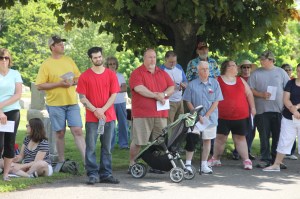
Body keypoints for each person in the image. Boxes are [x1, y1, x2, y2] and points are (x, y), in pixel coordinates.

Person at [35, 35, 86, 164]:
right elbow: (39, 85)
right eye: (59, 44)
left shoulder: (69, 60)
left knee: (78, 131)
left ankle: (87, 161)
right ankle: (61, 161)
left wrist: (72, 82)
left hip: (72, 102)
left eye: (62, 43)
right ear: (52, 47)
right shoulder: (46, 64)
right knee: (60, 133)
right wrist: (59, 84)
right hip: (55, 104)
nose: (62, 45)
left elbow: (79, 78)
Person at [76, 47, 120, 185]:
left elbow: (114, 95)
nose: (98, 59)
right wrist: (95, 110)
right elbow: (82, 97)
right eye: (95, 57)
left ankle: (106, 173)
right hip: (92, 118)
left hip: (109, 117)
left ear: (102, 57)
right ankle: (93, 174)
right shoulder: (85, 76)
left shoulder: (111, 74)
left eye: (100, 57)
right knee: (91, 147)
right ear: (91, 59)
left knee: (107, 147)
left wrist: (102, 110)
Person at [128, 48, 174, 173]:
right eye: (149, 57)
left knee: (159, 143)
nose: (152, 59)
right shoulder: (137, 73)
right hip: (142, 114)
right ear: (144, 58)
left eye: (154, 57)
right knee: (138, 141)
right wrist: (156, 96)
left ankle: (156, 165)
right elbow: (139, 88)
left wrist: (163, 94)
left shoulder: (162, 73)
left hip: (161, 114)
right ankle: (132, 163)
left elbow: (172, 87)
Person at [208, 60, 256, 170]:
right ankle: (215, 158)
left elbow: (249, 94)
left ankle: (246, 160)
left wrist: (253, 108)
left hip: (240, 116)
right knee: (220, 138)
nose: (236, 67)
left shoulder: (240, 80)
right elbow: (210, 94)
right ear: (227, 67)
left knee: (240, 138)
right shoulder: (217, 80)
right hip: (222, 116)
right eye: (234, 65)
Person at [248, 50, 289, 168]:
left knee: (278, 135)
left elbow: (288, 89)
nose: (261, 61)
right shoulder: (256, 73)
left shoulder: (281, 72)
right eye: (260, 59)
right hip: (262, 110)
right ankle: (265, 159)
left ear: (271, 60)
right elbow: (250, 90)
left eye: (263, 59)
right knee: (263, 136)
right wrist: (261, 94)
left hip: (279, 110)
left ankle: (277, 161)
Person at [183, 61, 223, 174]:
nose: (205, 71)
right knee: (192, 139)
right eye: (203, 69)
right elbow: (188, 101)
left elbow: (217, 101)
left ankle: (204, 164)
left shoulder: (215, 83)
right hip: (196, 118)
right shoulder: (192, 84)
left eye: (207, 69)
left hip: (210, 118)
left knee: (207, 140)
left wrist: (207, 115)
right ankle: (188, 164)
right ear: (198, 70)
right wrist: (197, 114)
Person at [263, 64, 300, 171]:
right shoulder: (290, 83)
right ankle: (276, 165)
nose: (299, 73)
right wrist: (293, 110)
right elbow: (286, 99)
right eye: (298, 71)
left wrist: (296, 107)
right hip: (289, 117)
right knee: (284, 140)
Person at [0, 48, 23, 181]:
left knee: (9, 143)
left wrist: (1, 107)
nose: (3, 60)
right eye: (1, 58)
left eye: (6, 58)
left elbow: (18, 95)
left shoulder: (15, 74)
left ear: (9, 60)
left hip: (12, 111)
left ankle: (6, 174)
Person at [232, 60, 257, 160]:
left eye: (248, 67)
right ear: (240, 69)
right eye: (244, 67)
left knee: (251, 131)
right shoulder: (237, 79)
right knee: (240, 131)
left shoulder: (254, 78)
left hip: (252, 107)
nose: (246, 69)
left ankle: (248, 151)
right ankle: (236, 151)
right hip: (240, 108)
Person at [106, 56, 129, 150]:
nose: (112, 66)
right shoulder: (104, 76)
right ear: (107, 65)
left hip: (120, 102)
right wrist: (117, 89)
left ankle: (123, 144)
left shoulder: (120, 76)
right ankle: (109, 146)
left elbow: (124, 88)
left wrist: (113, 90)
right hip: (109, 103)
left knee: (123, 124)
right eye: (110, 64)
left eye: (114, 64)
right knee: (110, 125)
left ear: (116, 65)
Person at [160, 51, 188, 124]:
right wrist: (170, 86)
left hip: (179, 99)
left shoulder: (178, 67)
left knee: (180, 123)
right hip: (169, 101)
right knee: (169, 124)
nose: (173, 64)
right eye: (171, 62)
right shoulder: (161, 70)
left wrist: (184, 84)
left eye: (175, 61)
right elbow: (159, 87)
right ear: (165, 60)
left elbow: (185, 81)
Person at [281, 63, 298, 160]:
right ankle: (281, 154)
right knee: (284, 133)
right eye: (285, 70)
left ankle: (291, 152)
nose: (287, 71)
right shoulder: (280, 81)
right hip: (282, 109)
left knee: (293, 133)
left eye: (289, 69)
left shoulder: (294, 81)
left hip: (293, 110)